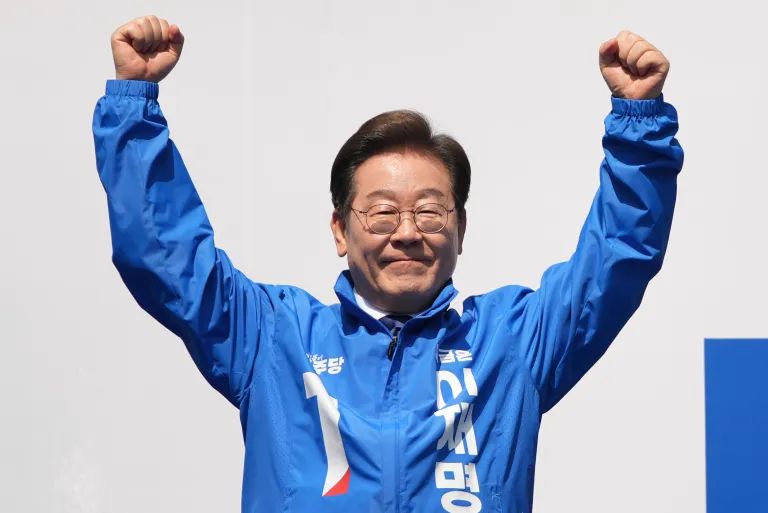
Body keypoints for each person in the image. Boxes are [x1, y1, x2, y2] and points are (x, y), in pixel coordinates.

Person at [93, 14, 683, 513]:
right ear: (340, 230)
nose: (406, 234)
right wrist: (134, 105)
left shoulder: (511, 341)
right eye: (381, 213)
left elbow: (614, 263)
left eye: (429, 212)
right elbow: (165, 256)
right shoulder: (273, 337)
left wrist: (639, 125)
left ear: (460, 229)